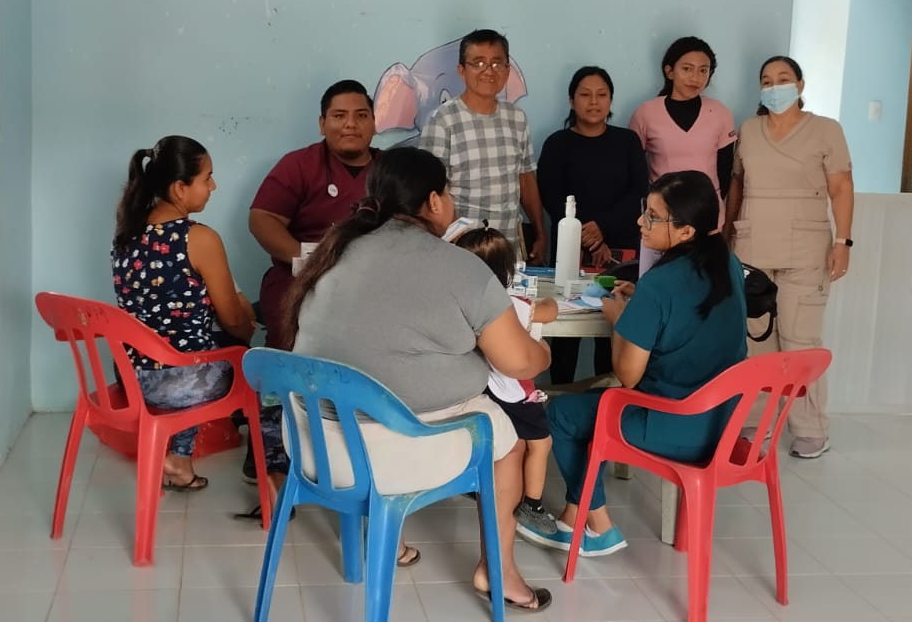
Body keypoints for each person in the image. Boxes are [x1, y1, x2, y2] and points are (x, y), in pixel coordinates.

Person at [285, 147, 554, 612]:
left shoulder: (333, 253)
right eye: (447, 192)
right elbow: (518, 363)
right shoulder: (459, 266)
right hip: (386, 455)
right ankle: (499, 571)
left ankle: (383, 544)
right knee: (508, 444)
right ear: (433, 201)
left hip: (315, 446)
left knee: (381, 386)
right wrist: (543, 350)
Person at [518, 170, 748, 557]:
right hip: (723, 423)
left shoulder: (661, 283)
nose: (641, 222)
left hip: (673, 423)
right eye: (645, 210)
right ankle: (576, 516)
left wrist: (620, 320)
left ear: (686, 231)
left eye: (653, 217)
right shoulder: (728, 264)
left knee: (563, 413)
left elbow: (627, 376)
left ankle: (598, 524)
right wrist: (641, 302)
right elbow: (689, 313)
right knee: (590, 406)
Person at [242, 80, 379, 501]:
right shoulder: (299, 165)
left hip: (370, 285)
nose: (350, 124)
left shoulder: (391, 169)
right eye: (339, 116)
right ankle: (271, 456)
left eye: (360, 115)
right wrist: (307, 263)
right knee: (285, 354)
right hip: (299, 279)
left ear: (374, 123)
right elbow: (262, 218)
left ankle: (363, 449)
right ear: (322, 123)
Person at [724, 55, 854, 459]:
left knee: (800, 339)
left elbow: (842, 188)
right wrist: (727, 233)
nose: (774, 86)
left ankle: (811, 427)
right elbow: (737, 185)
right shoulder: (749, 129)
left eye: (783, 78)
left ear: (800, 85)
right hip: (753, 245)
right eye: (766, 80)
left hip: (807, 248)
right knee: (756, 338)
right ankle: (756, 423)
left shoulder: (826, 130)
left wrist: (843, 241)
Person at [110, 135, 258, 492]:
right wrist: (245, 316)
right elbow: (235, 322)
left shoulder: (127, 233)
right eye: (207, 178)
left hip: (130, 372)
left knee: (191, 344)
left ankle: (179, 460)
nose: (213, 186)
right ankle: (269, 474)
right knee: (254, 361)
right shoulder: (199, 238)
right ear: (179, 188)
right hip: (176, 382)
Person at [537, 66, 647, 384]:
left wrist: (603, 228)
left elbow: (639, 193)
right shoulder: (557, 143)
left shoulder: (627, 141)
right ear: (572, 100)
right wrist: (590, 236)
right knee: (566, 332)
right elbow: (552, 197)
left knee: (612, 327)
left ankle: (606, 402)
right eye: (585, 94)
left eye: (601, 95)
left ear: (611, 100)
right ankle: (560, 398)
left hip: (619, 255)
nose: (594, 101)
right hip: (571, 250)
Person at [452, 226, 562, 539]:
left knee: (504, 444)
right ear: (507, 271)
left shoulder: (459, 306)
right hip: (514, 393)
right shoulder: (510, 304)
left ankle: (478, 484)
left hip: (481, 391)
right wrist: (549, 300)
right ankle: (533, 504)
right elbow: (550, 312)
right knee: (540, 444)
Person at [418, 28, 548, 265]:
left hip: (507, 247)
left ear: (507, 70)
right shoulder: (443, 120)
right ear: (462, 70)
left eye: (497, 63)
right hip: (459, 248)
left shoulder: (517, 118)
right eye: (478, 63)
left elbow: (526, 178)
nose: (488, 71)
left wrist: (540, 232)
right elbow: (431, 189)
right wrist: (454, 238)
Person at [627, 37, 738, 275]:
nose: (695, 77)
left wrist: (704, 205)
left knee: (703, 280)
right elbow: (634, 169)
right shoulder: (646, 113)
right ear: (669, 71)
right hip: (660, 218)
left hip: (706, 216)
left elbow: (725, 170)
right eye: (687, 69)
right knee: (658, 279)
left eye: (703, 70)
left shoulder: (719, 113)